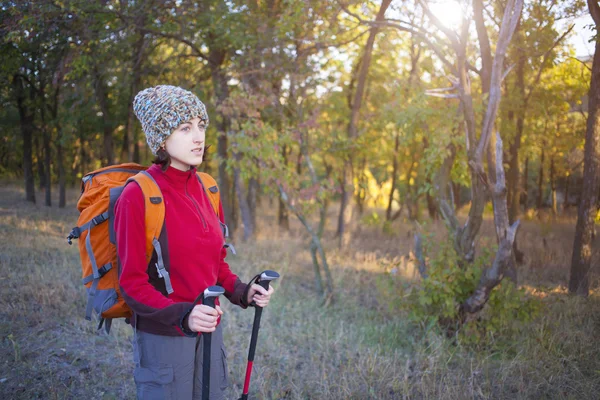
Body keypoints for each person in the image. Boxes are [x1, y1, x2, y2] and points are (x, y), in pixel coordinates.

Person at [114, 85, 274, 399]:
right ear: (161, 138)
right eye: (185, 128)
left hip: (210, 327)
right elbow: (131, 284)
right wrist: (184, 315)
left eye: (201, 126)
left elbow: (215, 265)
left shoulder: (208, 187)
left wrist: (243, 290)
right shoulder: (138, 195)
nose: (198, 136)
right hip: (164, 337)